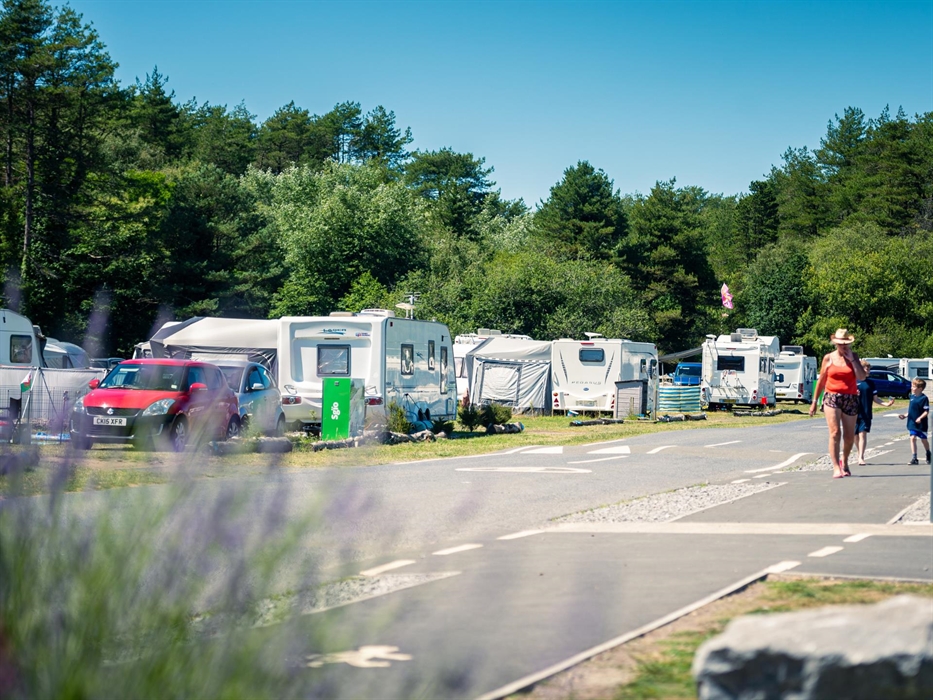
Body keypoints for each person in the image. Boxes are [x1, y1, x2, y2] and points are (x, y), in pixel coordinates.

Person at [809, 329, 867, 478]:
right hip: (832, 397)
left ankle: (844, 461)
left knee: (849, 436)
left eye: (845, 344)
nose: (843, 346)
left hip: (850, 398)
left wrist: (853, 360)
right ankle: (835, 467)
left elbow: (862, 377)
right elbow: (821, 380)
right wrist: (814, 401)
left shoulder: (854, 356)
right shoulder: (828, 358)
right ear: (836, 344)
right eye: (840, 344)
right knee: (835, 433)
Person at [855, 360, 894, 466]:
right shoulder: (853, 381)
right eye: (865, 368)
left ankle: (861, 457)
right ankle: (859, 453)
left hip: (866, 412)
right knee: (855, 436)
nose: (868, 370)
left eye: (868, 368)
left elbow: (876, 399)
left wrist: (886, 404)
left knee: (862, 434)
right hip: (853, 412)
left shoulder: (871, 383)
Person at [898, 378, 930, 465]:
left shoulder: (924, 398)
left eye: (914, 386)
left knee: (924, 440)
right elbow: (911, 411)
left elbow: (926, 411)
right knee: (912, 438)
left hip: (921, 424)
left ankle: (928, 452)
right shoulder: (912, 397)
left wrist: (920, 418)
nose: (912, 388)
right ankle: (914, 458)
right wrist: (905, 415)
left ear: (920, 388)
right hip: (912, 422)